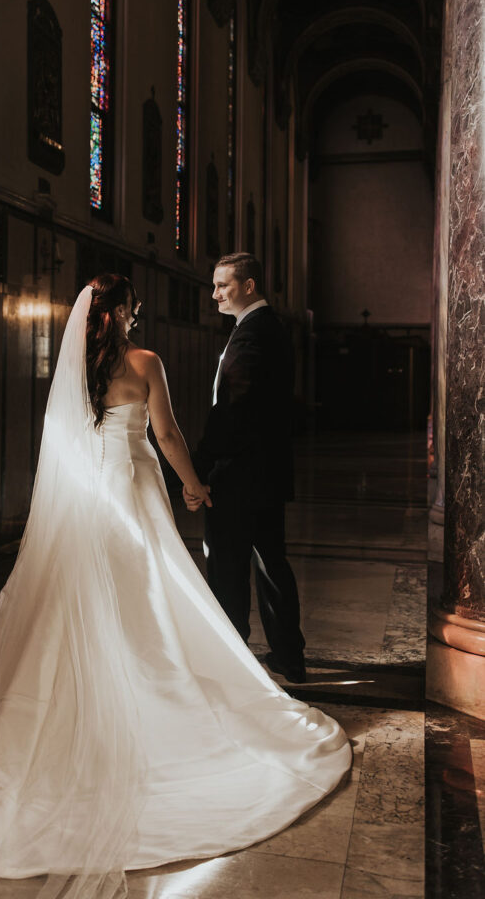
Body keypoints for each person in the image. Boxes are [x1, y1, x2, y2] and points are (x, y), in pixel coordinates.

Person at [0, 274, 350, 899]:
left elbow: (69, 439)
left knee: (90, 597)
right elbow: (165, 435)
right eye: (135, 310)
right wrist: (195, 485)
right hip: (135, 486)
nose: (138, 319)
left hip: (92, 491)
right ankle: (148, 697)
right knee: (148, 589)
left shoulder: (79, 367)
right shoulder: (145, 361)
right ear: (121, 315)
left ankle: (77, 695)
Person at [184, 253, 307, 683]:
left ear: (249, 285)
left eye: (223, 285)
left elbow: (232, 412)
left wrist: (198, 470)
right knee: (272, 563)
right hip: (267, 474)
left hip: (239, 476)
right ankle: (289, 656)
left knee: (227, 569)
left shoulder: (253, 334)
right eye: (215, 286)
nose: (215, 294)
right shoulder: (266, 328)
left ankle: (231, 660)